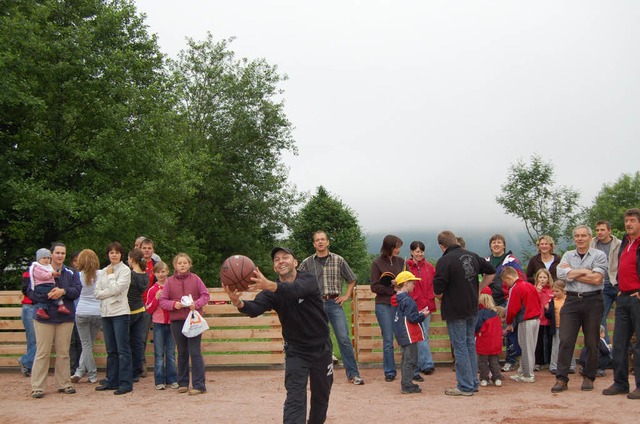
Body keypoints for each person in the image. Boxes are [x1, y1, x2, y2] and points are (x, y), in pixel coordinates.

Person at [224, 247, 333, 423]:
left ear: (295, 262)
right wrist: (239, 302)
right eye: (276, 259)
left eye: (285, 257)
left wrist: (270, 285)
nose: (281, 261)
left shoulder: (309, 279)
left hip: (321, 349)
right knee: (295, 399)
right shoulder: (270, 293)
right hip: (297, 351)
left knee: (321, 397)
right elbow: (255, 308)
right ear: (274, 267)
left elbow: (295, 290)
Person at [433, 230, 496, 396]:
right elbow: (491, 271)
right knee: (469, 344)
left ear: (442, 245)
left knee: (460, 346)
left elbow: (438, 291)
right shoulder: (472, 255)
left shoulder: (444, 261)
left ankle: (465, 386)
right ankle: (473, 382)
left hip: (455, 310)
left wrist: (445, 297)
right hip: (472, 307)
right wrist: (478, 289)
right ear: (455, 240)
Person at [298, 230, 364, 385]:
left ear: (328, 242)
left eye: (323, 239)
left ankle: (353, 374)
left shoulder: (338, 260)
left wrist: (346, 295)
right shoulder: (307, 263)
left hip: (334, 303)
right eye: (317, 240)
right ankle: (313, 375)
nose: (320, 242)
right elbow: (298, 281)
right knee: (315, 340)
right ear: (314, 244)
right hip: (315, 305)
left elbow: (352, 279)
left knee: (343, 338)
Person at [551, 225, 607, 393]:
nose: (580, 238)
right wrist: (584, 271)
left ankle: (589, 377)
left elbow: (597, 279)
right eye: (577, 236)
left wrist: (572, 272)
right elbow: (561, 275)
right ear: (574, 238)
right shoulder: (568, 255)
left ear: (590, 238)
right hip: (572, 300)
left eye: (583, 235)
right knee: (566, 340)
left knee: (592, 341)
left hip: (593, 300)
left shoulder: (599, 255)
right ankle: (562, 378)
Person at [28, 242, 82, 398]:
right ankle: (38, 386)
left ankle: (64, 383)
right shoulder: (37, 269)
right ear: (51, 254)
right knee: (42, 352)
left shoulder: (71, 272)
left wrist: (63, 291)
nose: (60, 256)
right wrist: (48, 295)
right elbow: (30, 291)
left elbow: (77, 290)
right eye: (57, 253)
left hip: (65, 317)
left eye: (63, 253)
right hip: (43, 317)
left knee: (63, 352)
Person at [159, 253, 210, 395]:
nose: (182, 265)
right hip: (177, 321)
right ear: (175, 266)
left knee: (195, 352)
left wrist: (196, 304)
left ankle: (199, 385)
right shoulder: (169, 282)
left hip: (193, 320)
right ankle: (183, 383)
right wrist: (173, 304)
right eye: (179, 263)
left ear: (189, 264)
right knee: (182, 352)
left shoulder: (196, 279)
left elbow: (205, 295)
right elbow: (162, 300)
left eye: (185, 263)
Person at [603, 208, 640, 399]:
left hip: (637, 298)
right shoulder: (625, 242)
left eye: (632, 220)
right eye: (626, 220)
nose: (628, 224)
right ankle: (620, 383)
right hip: (623, 297)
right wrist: (617, 287)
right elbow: (618, 267)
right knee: (619, 342)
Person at [94, 241, 133, 395]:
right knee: (111, 350)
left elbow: (117, 289)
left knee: (123, 349)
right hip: (106, 313)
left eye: (117, 252)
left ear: (121, 254)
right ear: (108, 254)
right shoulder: (102, 271)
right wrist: (110, 289)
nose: (114, 255)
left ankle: (125, 383)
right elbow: (97, 293)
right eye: (111, 252)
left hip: (120, 313)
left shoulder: (125, 271)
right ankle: (111, 380)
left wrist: (110, 278)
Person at [485, 234, 526, 373]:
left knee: (510, 330)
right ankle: (492, 362)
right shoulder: (486, 260)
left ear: (504, 245)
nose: (496, 244)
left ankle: (511, 360)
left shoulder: (511, 260)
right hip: (489, 301)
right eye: (493, 242)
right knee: (490, 331)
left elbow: (519, 278)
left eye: (499, 242)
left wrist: (512, 296)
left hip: (506, 299)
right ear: (490, 245)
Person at [370, 234, 404, 382]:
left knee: (403, 338)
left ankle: (409, 370)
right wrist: (392, 288)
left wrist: (400, 285)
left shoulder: (402, 262)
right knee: (388, 339)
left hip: (400, 304)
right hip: (383, 304)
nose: (398, 250)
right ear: (389, 247)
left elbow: (405, 282)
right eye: (396, 247)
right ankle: (390, 372)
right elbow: (374, 286)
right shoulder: (376, 263)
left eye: (399, 247)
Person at [390, 271, 429, 394]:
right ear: (406, 283)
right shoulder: (408, 300)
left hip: (402, 333)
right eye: (412, 282)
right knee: (411, 359)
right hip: (409, 334)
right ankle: (407, 384)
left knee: (406, 359)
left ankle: (406, 382)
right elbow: (412, 318)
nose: (414, 285)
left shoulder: (397, 298)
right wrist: (423, 315)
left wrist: (418, 313)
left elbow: (407, 315)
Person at [503, 266, 541, 383]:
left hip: (525, 320)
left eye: (506, 281)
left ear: (509, 277)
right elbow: (538, 301)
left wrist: (508, 322)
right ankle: (523, 371)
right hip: (536, 319)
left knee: (525, 348)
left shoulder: (515, 288)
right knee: (530, 347)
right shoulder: (529, 285)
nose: (506, 284)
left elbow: (512, 308)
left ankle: (528, 375)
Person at [405, 240, 437, 376]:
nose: (419, 254)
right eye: (417, 251)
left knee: (424, 334)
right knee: (418, 335)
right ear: (412, 252)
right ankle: (426, 363)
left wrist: (431, 297)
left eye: (421, 251)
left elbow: (435, 283)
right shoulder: (406, 267)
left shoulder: (430, 267)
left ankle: (420, 364)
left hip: (426, 305)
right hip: (412, 305)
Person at [145, 261, 178, 390]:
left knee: (170, 353)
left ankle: (172, 379)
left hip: (172, 323)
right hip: (158, 324)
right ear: (154, 273)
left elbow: (177, 302)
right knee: (159, 353)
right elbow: (148, 308)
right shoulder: (152, 290)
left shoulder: (172, 286)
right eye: (158, 272)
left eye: (163, 271)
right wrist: (156, 299)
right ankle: (159, 380)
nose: (161, 274)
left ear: (167, 271)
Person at [71, 249, 103, 384]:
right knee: (88, 345)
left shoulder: (78, 276)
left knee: (86, 344)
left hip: (82, 311)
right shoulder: (101, 274)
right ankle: (81, 371)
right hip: (97, 312)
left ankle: (91, 373)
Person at [590, 221, 621, 345]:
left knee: (623, 318)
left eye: (602, 230)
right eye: (597, 230)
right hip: (602, 285)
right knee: (600, 317)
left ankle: (622, 348)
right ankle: (606, 346)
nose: (599, 233)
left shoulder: (619, 244)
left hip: (618, 284)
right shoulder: (592, 244)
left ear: (609, 231)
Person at [127, 248, 150, 382]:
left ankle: (130, 370)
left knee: (129, 343)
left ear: (132, 260)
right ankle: (138, 369)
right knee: (138, 342)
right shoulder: (145, 275)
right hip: (141, 309)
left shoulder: (131, 275)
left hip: (130, 310)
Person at [546, 280, 576, 375]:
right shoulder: (552, 301)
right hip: (557, 326)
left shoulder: (569, 300)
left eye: (557, 291)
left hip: (568, 326)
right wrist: (546, 309)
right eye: (553, 291)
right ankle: (554, 366)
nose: (554, 293)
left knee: (569, 344)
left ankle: (571, 365)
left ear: (563, 291)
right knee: (556, 346)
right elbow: (549, 315)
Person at [29, 248, 68, 320]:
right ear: (39, 259)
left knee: (51, 294)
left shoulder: (48, 267)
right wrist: (52, 274)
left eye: (48, 258)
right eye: (44, 258)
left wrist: (55, 274)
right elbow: (43, 276)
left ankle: (42, 309)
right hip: (41, 286)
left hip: (48, 285)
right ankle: (60, 305)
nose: (46, 260)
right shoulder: (36, 267)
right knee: (54, 291)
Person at [475, 293, 503, 387]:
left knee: (483, 361)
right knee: (494, 360)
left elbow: (477, 326)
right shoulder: (494, 313)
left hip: (484, 340)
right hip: (495, 341)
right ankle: (497, 377)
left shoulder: (480, 313)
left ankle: (484, 378)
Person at [533, 269, 554, 371]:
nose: (542, 279)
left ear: (548, 278)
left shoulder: (552, 290)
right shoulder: (534, 289)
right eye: (540, 277)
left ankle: (550, 362)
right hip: (538, 319)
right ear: (537, 278)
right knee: (538, 342)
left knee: (550, 341)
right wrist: (537, 291)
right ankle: (538, 362)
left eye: (544, 277)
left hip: (549, 320)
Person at [19, 267, 36, 377]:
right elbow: (25, 289)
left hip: (37, 306)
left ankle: (26, 362)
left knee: (37, 340)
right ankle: (27, 363)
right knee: (33, 340)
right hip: (30, 306)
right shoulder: (29, 272)